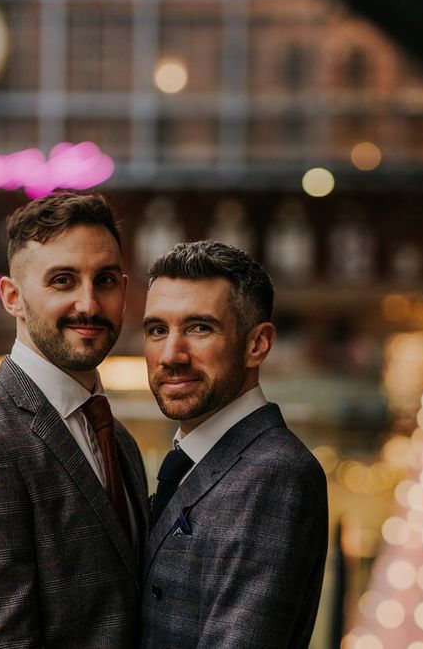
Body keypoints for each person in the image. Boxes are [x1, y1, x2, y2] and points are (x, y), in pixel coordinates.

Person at [0, 193, 149, 648]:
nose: (89, 303)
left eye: (105, 281)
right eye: (63, 281)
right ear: (12, 297)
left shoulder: (118, 439)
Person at [140, 240, 328, 649]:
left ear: (257, 344)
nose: (171, 354)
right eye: (157, 329)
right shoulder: (190, 456)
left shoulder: (276, 474)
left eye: (199, 328)